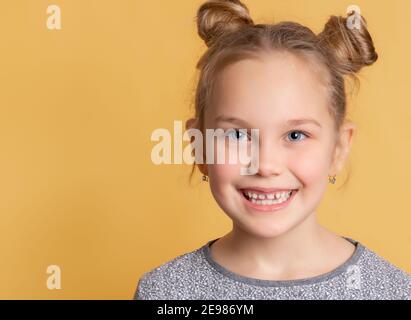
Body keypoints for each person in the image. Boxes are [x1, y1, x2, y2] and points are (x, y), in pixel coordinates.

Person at [134, 0, 411, 299]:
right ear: (199, 146)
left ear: (338, 149)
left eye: (295, 135)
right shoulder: (165, 293)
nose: (265, 165)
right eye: (238, 135)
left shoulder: (391, 291)